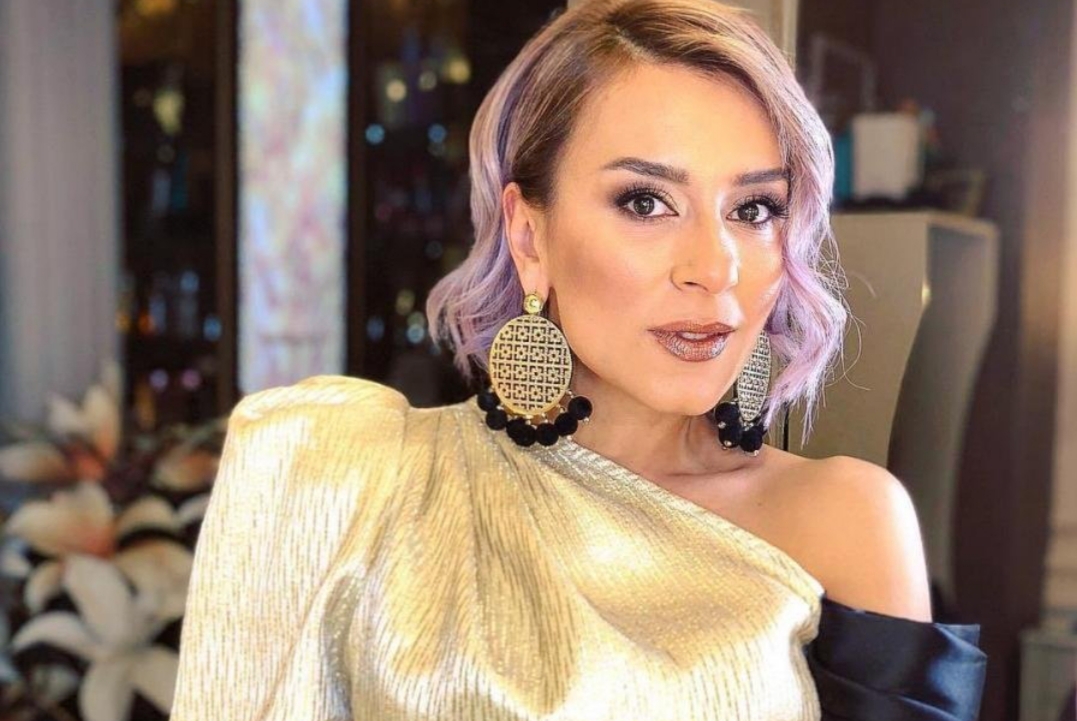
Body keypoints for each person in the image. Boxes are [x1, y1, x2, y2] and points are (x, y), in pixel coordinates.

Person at [170, 0, 987, 719]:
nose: (714, 266)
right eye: (646, 201)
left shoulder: (845, 520)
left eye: (753, 208)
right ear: (529, 236)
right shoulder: (347, 479)